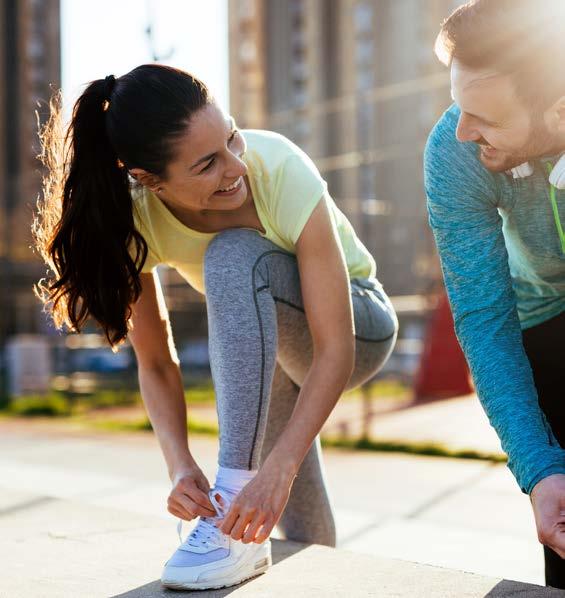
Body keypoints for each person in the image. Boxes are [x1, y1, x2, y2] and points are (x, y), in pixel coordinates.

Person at [34, 64, 398, 591]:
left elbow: (335, 348)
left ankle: (230, 493)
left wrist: (279, 467)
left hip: (359, 327)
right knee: (283, 522)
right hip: (268, 349)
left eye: (231, 138)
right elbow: (156, 362)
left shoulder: (277, 168)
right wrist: (179, 466)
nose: (235, 168)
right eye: (207, 164)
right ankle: (284, 558)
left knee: (232, 256)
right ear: (148, 180)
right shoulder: (134, 219)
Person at [425, 0, 565, 588]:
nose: (462, 130)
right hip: (543, 315)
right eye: (460, 105)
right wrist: (539, 470)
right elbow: (483, 320)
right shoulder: (455, 152)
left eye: (483, 115)